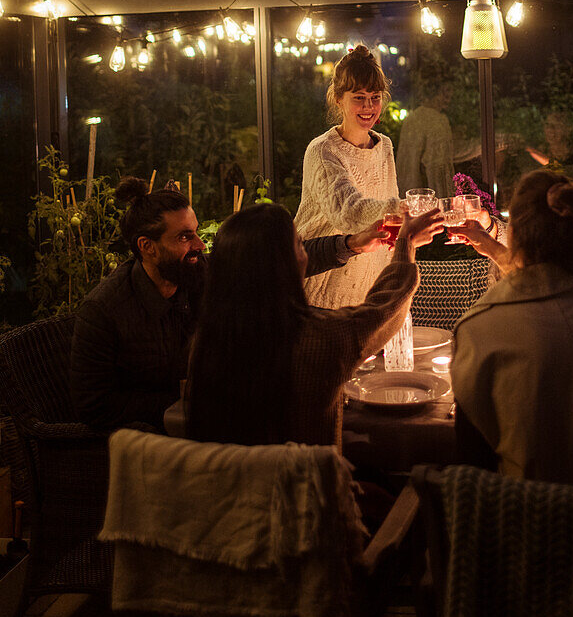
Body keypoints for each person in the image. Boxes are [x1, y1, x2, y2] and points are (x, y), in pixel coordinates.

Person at [71, 176, 393, 433]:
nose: (199, 244)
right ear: (147, 247)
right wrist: (184, 399)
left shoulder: (197, 273)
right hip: (154, 446)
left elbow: (275, 260)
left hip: (211, 426)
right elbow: (93, 404)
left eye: (196, 232)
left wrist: (351, 244)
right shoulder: (104, 311)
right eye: (184, 237)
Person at [449, 170, 573, 490]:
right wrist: (490, 247)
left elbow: (473, 468)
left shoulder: (481, 328)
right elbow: (556, 282)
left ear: (513, 233)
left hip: (532, 527)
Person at [187, 203, 443, 450]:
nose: (305, 254)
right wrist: (405, 245)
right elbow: (383, 311)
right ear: (288, 264)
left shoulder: (207, 341)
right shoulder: (318, 338)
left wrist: (352, 244)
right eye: (300, 244)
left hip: (228, 488)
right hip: (305, 487)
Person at [296, 45, 402, 309]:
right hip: (319, 289)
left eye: (375, 97)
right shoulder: (322, 150)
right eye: (359, 97)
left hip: (367, 291)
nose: (368, 106)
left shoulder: (384, 146)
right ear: (338, 99)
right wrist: (403, 209)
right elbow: (348, 213)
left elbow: (389, 219)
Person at [396, 79, 455, 198]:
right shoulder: (438, 120)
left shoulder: (411, 118)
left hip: (405, 193)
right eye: (445, 94)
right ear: (435, 94)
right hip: (426, 197)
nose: (448, 99)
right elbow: (436, 167)